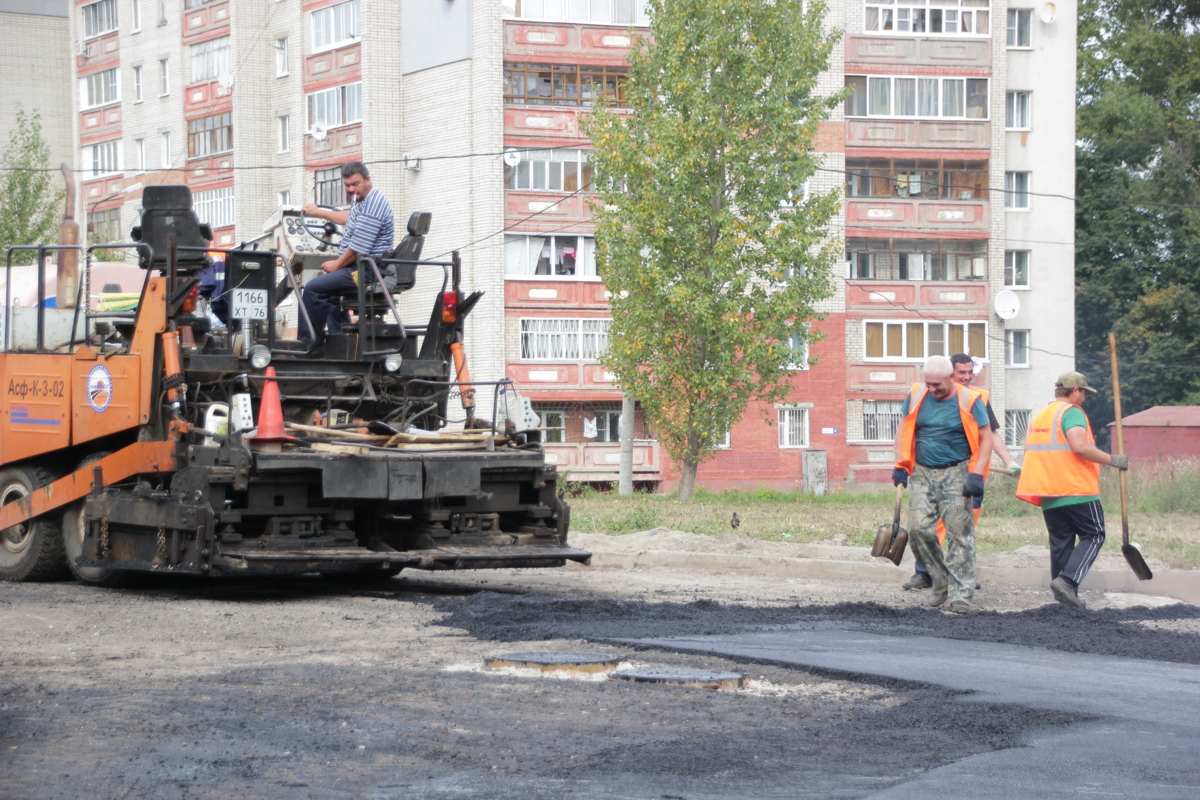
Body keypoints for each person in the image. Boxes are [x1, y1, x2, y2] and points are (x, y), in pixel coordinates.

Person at [903, 353, 1021, 590]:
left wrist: (1009, 461)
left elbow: (990, 434)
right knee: (926, 526)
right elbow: (909, 429)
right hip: (933, 472)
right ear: (950, 374)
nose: (967, 377)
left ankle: (960, 576)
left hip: (969, 475)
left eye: (970, 372)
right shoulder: (926, 395)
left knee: (962, 528)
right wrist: (902, 463)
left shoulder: (976, 399)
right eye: (962, 373)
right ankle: (926, 573)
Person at [1016, 372, 1129, 609]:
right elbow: (1079, 445)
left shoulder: (1040, 416)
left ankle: (1065, 601)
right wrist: (1112, 459)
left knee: (1061, 542)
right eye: (1084, 392)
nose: (1085, 398)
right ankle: (1067, 581)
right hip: (1074, 488)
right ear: (1075, 391)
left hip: (1048, 491)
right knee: (1094, 534)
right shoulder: (1071, 412)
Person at [892, 355, 992, 613]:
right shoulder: (917, 394)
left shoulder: (970, 399)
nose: (932, 389)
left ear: (951, 378)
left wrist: (976, 475)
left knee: (960, 535)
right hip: (923, 472)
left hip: (956, 472)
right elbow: (903, 428)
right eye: (929, 384)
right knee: (917, 530)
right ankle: (941, 580)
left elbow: (986, 437)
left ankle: (961, 594)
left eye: (937, 384)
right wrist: (900, 464)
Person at [298, 161, 394, 348]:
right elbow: (349, 218)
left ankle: (309, 344)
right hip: (359, 267)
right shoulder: (361, 200)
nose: (351, 189)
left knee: (313, 288)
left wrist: (337, 264)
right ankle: (339, 340)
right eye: (347, 185)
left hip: (367, 272)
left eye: (355, 184)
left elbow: (359, 247)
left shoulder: (374, 204)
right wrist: (318, 213)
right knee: (332, 291)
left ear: (367, 179)